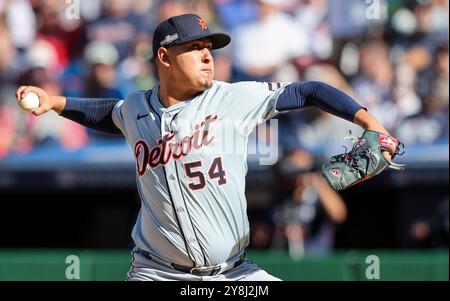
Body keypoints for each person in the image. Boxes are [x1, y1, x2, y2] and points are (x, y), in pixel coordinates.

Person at [16, 13, 396, 281]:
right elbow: (108, 114)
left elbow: (309, 90)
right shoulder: (135, 109)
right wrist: (55, 102)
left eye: (209, 47)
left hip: (233, 274)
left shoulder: (234, 98)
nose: (207, 56)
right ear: (164, 57)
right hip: (156, 274)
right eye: (194, 47)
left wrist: (370, 123)